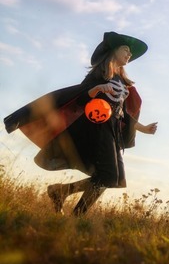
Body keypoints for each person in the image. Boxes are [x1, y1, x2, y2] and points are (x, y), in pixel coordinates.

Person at [3, 31, 158, 216]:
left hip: (112, 131)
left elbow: (122, 113)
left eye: (130, 53)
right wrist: (98, 88)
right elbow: (81, 98)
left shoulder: (122, 81)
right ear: (113, 50)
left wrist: (144, 129)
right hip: (97, 128)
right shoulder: (100, 74)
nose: (129, 54)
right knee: (108, 175)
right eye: (126, 49)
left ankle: (61, 191)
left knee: (114, 178)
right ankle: (77, 217)